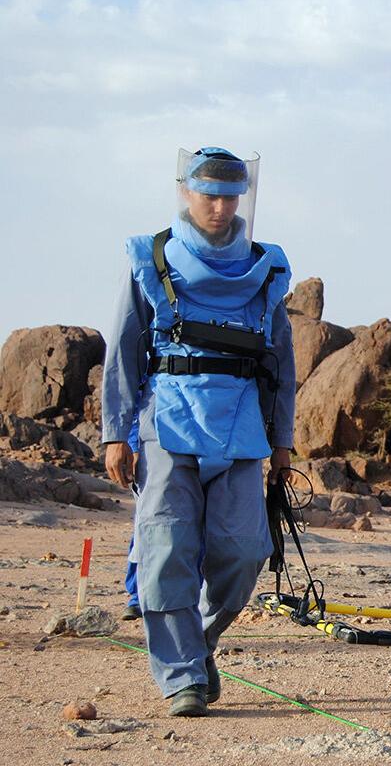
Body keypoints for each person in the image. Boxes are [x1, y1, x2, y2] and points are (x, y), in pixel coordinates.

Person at [101, 147, 296, 717]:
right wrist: (117, 434)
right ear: (185, 192)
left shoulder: (266, 268)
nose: (219, 205)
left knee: (241, 553)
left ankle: (199, 643)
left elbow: (280, 365)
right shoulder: (151, 258)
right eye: (208, 193)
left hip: (239, 428)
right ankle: (181, 676)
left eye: (230, 194)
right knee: (165, 553)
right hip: (167, 422)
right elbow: (124, 351)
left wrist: (282, 443)